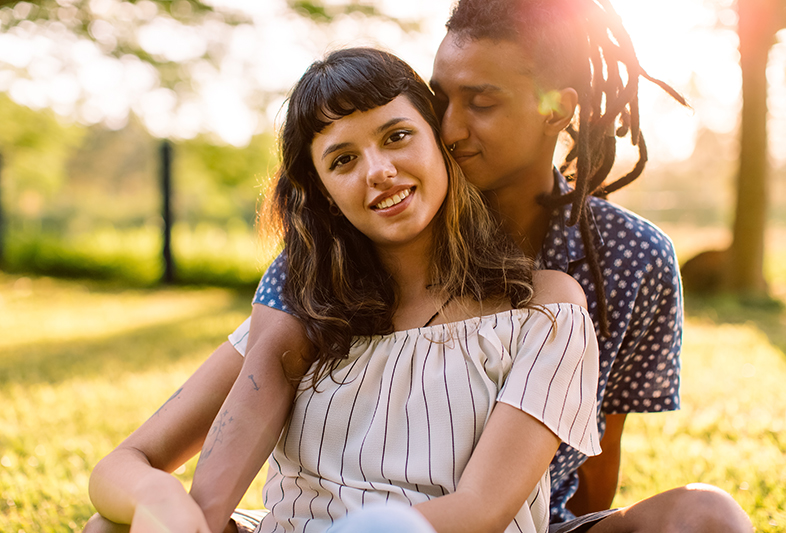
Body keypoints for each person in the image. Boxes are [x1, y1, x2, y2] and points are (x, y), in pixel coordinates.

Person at [85, 0, 754, 531]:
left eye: (481, 102)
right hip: (331, 521)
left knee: (705, 516)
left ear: (559, 109)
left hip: (506, 516)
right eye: (441, 99)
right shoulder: (326, 263)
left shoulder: (611, 266)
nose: (453, 126)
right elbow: (213, 451)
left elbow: (589, 466)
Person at [89, 47, 602, 533]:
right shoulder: (306, 311)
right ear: (325, 195)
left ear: (441, 144)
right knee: (109, 526)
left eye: (397, 136)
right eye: (343, 160)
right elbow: (124, 466)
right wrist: (162, 500)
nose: (378, 171)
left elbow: (483, 511)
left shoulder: (543, 309)